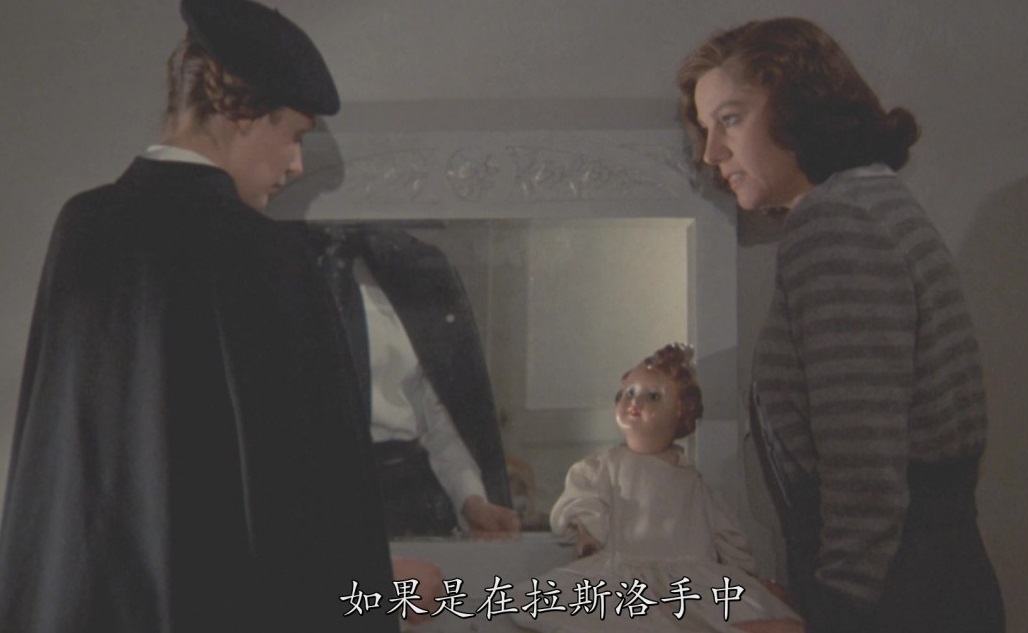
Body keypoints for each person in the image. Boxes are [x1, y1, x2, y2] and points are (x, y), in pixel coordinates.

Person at [0, 1, 425, 630]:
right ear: (242, 111)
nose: (296, 164)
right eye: (295, 135)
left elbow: (51, 474)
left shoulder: (83, 229)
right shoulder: (269, 258)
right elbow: (315, 502)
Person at [677, 17, 1005, 633]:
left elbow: (864, 466)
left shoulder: (835, 224)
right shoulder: (871, 199)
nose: (711, 153)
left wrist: (834, 609)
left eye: (731, 119)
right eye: (705, 127)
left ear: (798, 107)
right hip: (926, 582)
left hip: (900, 600)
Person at [514, 343, 800, 632]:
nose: (635, 402)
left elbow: (726, 532)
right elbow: (585, 500)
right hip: (623, 572)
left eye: (653, 396)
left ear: (681, 412)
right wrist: (588, 534)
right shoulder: (605, 467)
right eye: (629, 393)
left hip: (689, 582)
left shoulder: (692, 481)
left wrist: (744, 577)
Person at [306, 223, 520, 537]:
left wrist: (470, 499)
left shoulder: (412, 269)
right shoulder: (277, 270)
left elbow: (437, 416)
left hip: (407, 497)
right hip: (316, 497)